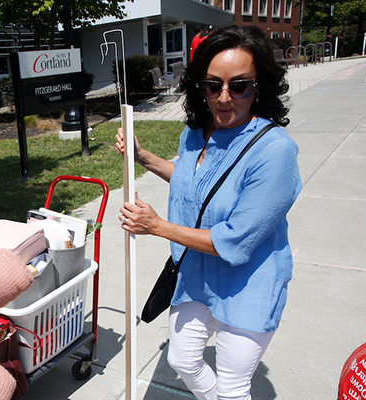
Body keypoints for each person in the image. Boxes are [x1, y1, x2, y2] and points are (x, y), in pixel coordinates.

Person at [116, 26, 301, 400]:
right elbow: (189, 181)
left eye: (239, 86)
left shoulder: (274, 151)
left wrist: (157, 226)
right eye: (213, 86)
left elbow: (235, 240)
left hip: (248, 284)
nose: (224, 97)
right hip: (196, 274)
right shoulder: (196, 133)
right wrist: (143, 158)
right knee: (183, 360)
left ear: (259, 86)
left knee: (232, 388)